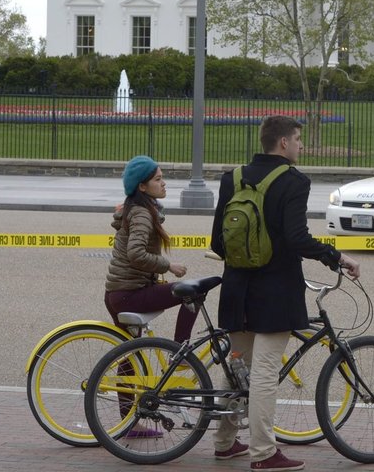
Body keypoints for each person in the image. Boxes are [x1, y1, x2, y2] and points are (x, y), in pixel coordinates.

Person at [210, 115, 360, 471]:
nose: (301, 145)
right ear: (283, 144)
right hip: (275, 289)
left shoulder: (232, 178)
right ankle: (263, 453)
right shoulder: (293, 181)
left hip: (236, 286)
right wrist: (335, 257)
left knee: (238, 365)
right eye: (297, 139)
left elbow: (218, 241)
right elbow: (296, 238)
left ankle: (224, 441)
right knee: (263, 371)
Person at [103, 155, 197, 344]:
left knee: (130, 357)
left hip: (117, 293)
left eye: (162, 178)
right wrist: (168, 265)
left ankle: (116, 375)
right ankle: (180, 352)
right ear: (142, 187)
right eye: (157, 179)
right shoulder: (142, 213)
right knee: (193, 292)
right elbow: (136, 253)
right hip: (129, 294)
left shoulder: (137, 208)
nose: (164, 183)